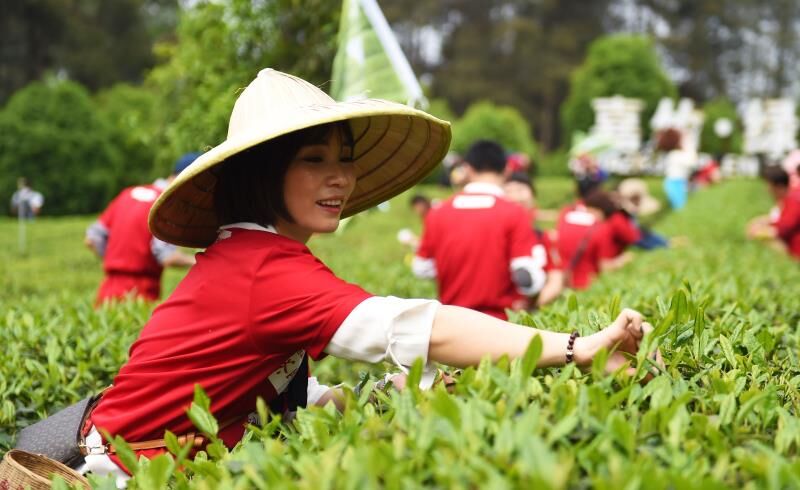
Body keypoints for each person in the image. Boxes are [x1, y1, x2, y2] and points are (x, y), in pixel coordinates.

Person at [62, 69, 659, 485]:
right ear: (261, 174)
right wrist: (578, 349)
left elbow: (262, 386)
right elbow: (416, 326)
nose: (341, 178)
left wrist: (369, 398)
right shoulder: (263, 267)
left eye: (344, 159)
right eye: (314, 160)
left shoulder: (248, 256)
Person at [412, 140, 549, 319]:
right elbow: (527, 278)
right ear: (507, 169)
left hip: (450, 323)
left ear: (468, 169)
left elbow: (421, 267)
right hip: (499, 324)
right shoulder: (515, 213)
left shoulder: (438, 213)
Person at [85, 154, 198, 305]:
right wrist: (199, 262)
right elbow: (167, 256)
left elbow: (91, 239)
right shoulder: (166, 205)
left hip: (108, 290)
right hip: (142, 292)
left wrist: (117, 260)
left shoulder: (127, 194)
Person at [503, 172, 564, 307]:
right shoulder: (496, 237)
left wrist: (529, 309)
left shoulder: (544, 237)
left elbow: (556, 280)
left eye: (520, 189)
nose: (514, 195)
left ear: (533, 196)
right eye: (508, 190)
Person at [747, 166, 800, 259]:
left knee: (767, 241)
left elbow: (784, 228)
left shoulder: (794, 199)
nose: (766, 190)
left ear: (778, 186)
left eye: (768, 185)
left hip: (795, 250)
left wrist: (758, 233)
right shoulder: (791, 198)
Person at [658, 128, 697, 210]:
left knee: (680, 207)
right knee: (680, 208)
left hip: (678, 183)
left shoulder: (674, 154)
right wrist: (690, 144)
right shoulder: (675, 155)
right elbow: (692, 161)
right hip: (675, 183)